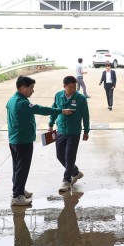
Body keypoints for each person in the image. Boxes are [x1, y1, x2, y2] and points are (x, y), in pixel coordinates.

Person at [6, 76, 60, 206]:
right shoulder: (22, 103)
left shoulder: (12, 100)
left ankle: (19, 189)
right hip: (22, 140)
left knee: (17, 168)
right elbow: (41, 109)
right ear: (23, 88)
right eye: (31, 88)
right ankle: (17, 196)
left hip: (14, 139)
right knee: (22, 168)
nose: (32, 91)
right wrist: (60, 111)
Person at [48, 76, 90, 193]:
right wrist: (51, 124)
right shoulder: (58, 95)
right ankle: (75, 172)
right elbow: (54, 110)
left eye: (75, 86)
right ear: (64, 86)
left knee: (69, 156)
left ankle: (66, 180)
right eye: (70, 87)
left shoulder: (80, 98)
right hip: (61, 130)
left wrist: (86, 130)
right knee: (59, 155)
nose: (73, 89)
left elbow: (86, 115)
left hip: (74, 131)